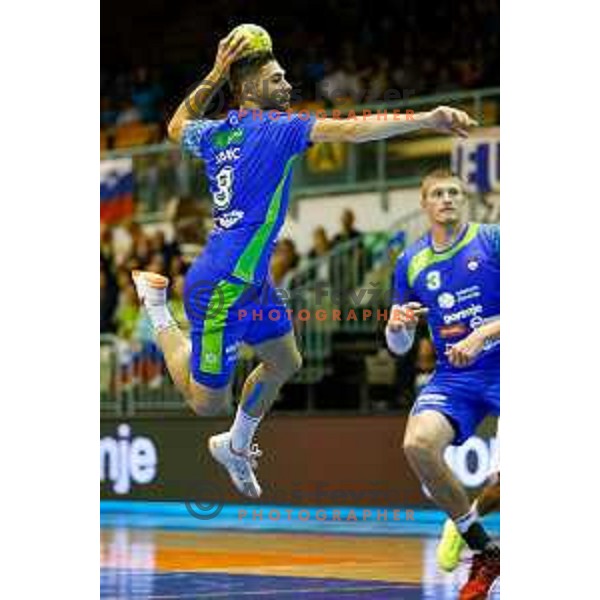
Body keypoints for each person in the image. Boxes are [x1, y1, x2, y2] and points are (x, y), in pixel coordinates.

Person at [132, 28, 477, 500]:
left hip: (252, 280)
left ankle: (236, 444)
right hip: (220, 287)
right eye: (278, 78)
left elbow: (175, 126)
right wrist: (427, 118)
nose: (288, 84)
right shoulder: (280, 128)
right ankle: (156, 307)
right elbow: (354, 129)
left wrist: (214, 74)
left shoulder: (218, 131)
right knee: (207, 402)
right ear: (251, 89)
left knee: (284, 359)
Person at [385, 169, 499, 599]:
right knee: (417, 445)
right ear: (425, 204)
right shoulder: (411, 262)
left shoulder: (492, 240)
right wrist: (397, 328)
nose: (447, 198)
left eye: (453, 191)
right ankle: (483, 550)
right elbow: (397, 347)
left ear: (463, 199)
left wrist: (483, 333)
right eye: (437, 193)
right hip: (456, 376)